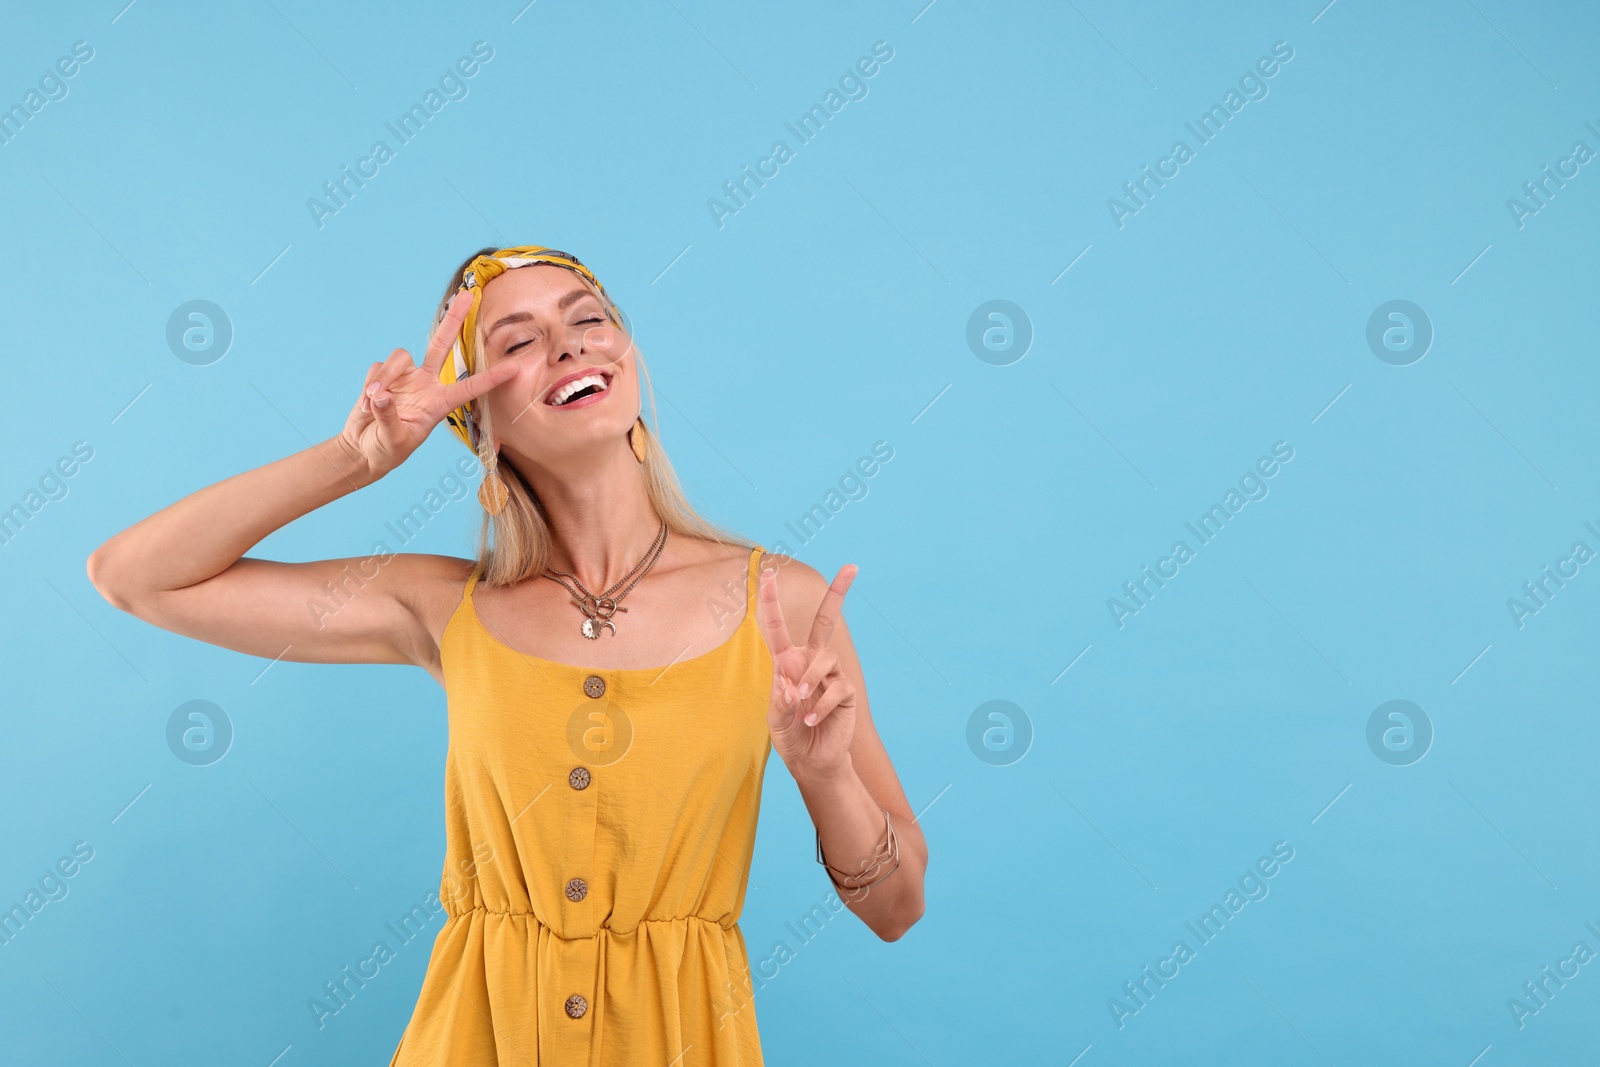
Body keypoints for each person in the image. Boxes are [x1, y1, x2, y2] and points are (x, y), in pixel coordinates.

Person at [87, 245, 927, 1064]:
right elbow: (136, 577)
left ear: (627, 356)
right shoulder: (446, 606)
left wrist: (825, 776)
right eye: (517, 342)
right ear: (476, 420)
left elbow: (897, 908)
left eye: (589, 320)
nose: (567, 345)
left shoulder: (781, 605)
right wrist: (354, 460)